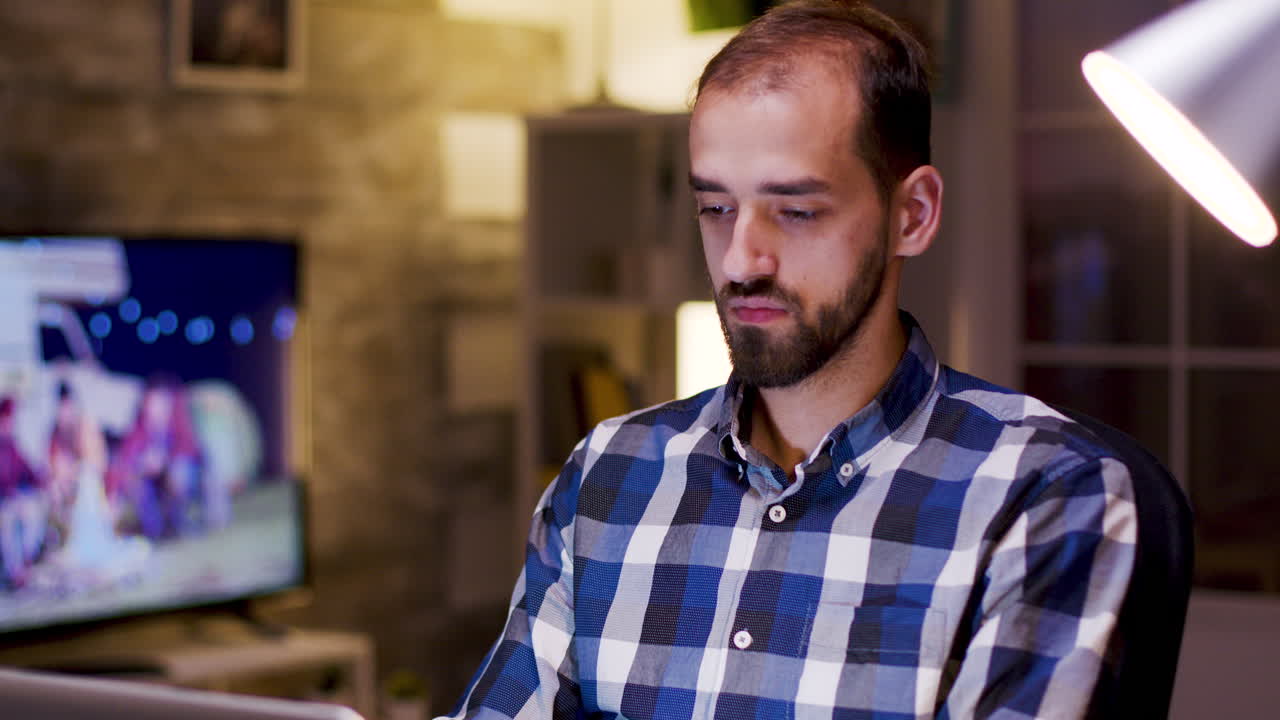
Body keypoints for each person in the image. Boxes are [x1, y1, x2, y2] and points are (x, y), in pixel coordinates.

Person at [444, 2, 1144, 717]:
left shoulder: (1045, 492)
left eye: (797, 210)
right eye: (716, 208)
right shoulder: (608, 473)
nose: (740, 262)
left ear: (912, 215)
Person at [107, 376, 203, 541]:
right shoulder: (139, 429)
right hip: (152, 480)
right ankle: (155, 531)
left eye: (160, 404)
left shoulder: (179, 423)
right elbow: (126, 460)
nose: (155, 409)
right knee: (135, 483)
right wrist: (140, 467)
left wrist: (165, 460)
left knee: (180, 474)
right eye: (151, 404)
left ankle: (181, 523)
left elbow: (190, 448)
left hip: (181, 473)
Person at [0, 396, 46, 588]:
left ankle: (27, 564)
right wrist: (9, 494)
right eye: (5, 419)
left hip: (15, 500)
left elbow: (26, 469)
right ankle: (14, 573)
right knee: (7, 522)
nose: (8, 424)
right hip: (4, 502)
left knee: (32, 511)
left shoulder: (12, 445)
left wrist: (41, 480)